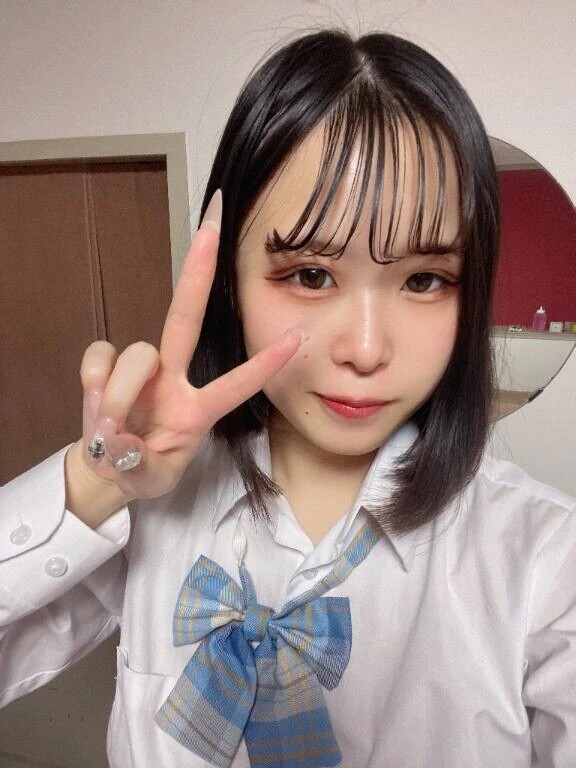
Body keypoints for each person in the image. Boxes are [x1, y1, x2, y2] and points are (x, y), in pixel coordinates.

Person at [1, 28, 575, 768]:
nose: (365, 349)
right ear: (230, 285)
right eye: (310, 274)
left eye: (424, 280)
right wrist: (93, 484)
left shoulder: (546, 560)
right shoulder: (150, 505)